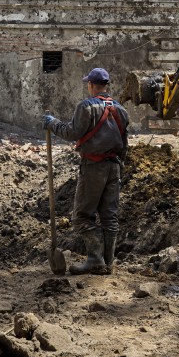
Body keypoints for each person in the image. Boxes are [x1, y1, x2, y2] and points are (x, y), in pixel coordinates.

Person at [42, 67, 130, 275]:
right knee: (109, 216)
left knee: (82, 216)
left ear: (91, 85)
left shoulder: (86, 107)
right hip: (114, 166)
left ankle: (95, 259)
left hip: (93, 167)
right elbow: (124, 144)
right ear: (106, 85)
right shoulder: (121, 111)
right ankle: (108, 262)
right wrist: (120, 168)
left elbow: (72, 132)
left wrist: (52, 124)